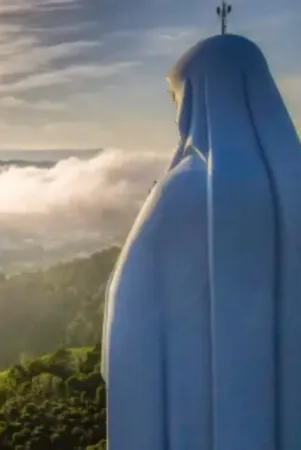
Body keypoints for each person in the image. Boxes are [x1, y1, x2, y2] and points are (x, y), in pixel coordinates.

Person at [102, 34, 301, 450]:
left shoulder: (186, 188)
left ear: (195, 97)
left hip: (195, 414)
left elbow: (132, 319)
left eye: (176, 97)